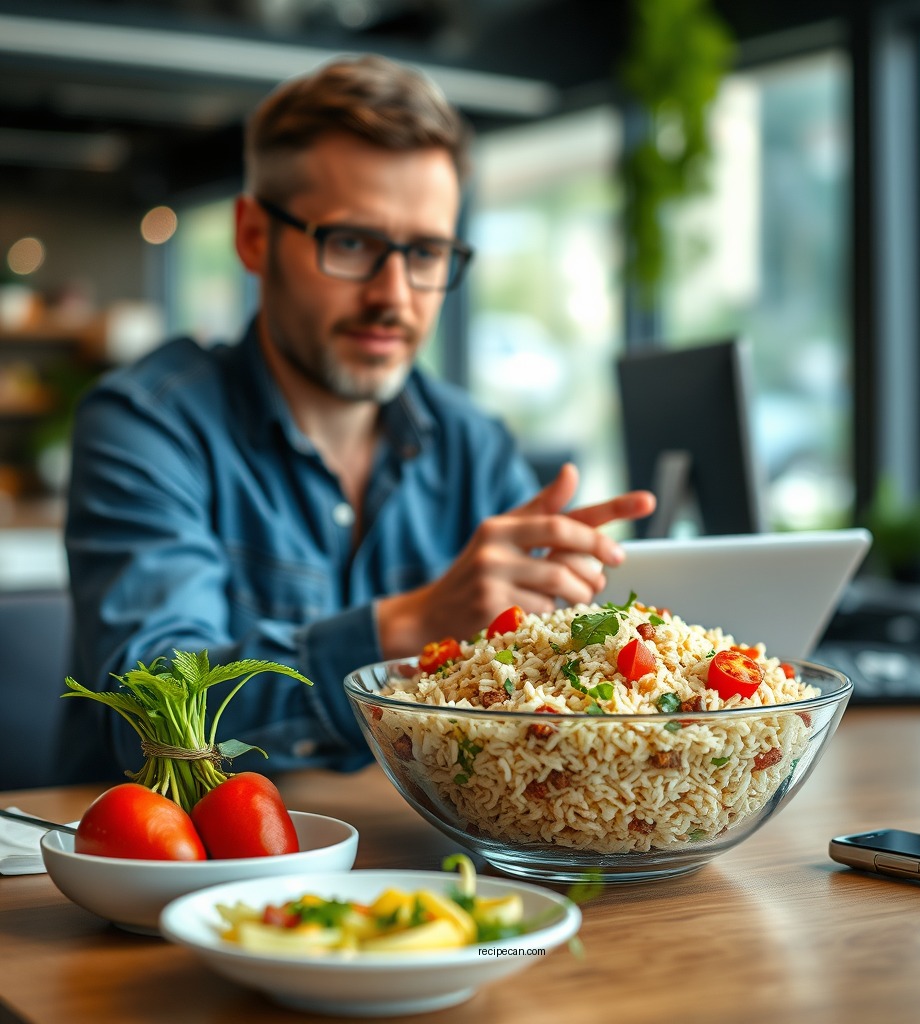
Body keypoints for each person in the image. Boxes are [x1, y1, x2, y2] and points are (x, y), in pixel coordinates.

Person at [60, 54, 655, 783]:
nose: (394, 297)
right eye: (351, 244)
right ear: (254, 236)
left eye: (427, 252)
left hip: (419, 861)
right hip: (178, 868)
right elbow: (150, 717)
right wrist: (410, 626)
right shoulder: (146, 427)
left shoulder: (474, 444)